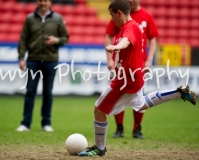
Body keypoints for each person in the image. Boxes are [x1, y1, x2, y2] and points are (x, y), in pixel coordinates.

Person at [78, 0, 197, 156]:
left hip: (125, 81)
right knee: (141, 104)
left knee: (99, 109)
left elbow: (127, 41)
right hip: (134, 76)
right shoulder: (129, 26)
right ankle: (179, 92)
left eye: (112, 15)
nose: (111, 19)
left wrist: (116, 47)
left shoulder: (130, 27)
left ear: (119, 13)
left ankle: (100, 148)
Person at [105, 0, 159, 139]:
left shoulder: (146, 16)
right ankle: (119, 128)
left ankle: (137, 128)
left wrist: (149, 60)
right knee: (120, 94)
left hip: (139, 64)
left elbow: (152, 39)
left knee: (138, 98)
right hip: (122, 64)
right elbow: (109, 35)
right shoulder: (120, 14)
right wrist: (110, 58)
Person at [16, 0, 69, 132]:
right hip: (33, 60)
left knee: (48, 93)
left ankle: (46, 123)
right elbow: (23, 39)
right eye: (40, 0)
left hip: (51, 61)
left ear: (50, 2)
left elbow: (65, 37)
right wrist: (21, 58)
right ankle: (25, 123)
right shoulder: (29, 19)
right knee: (30, 92)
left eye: (45, 0)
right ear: (37, 2)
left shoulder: (58, 18)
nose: (43, 3)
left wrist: (56, 40)